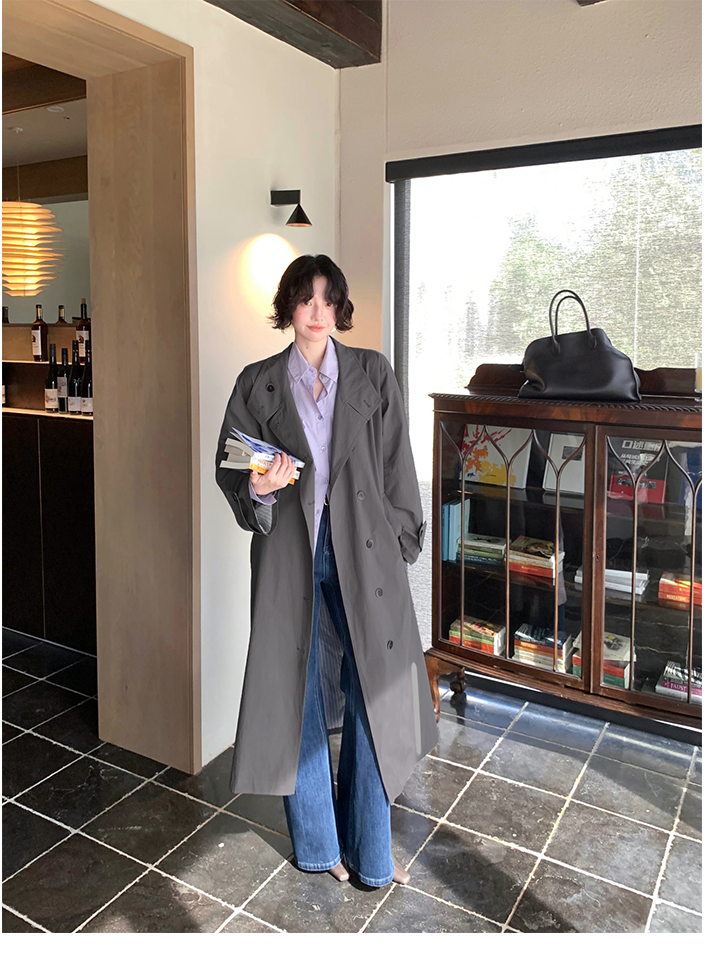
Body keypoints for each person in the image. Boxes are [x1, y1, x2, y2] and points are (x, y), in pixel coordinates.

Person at [215, 254, 438, 888]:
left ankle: (372, 849)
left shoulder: (372, 372)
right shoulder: (256, 384)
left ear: (340, 307)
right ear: (287, 307)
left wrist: (402, 539)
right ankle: (317, 843)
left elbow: (397, 462)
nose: (316, 312)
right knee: (299, 691)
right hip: (291, 552)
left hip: (363, 551)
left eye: (327, 299)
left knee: (376, 687)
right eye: (304, 298)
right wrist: (260, 488)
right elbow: (232, 469)